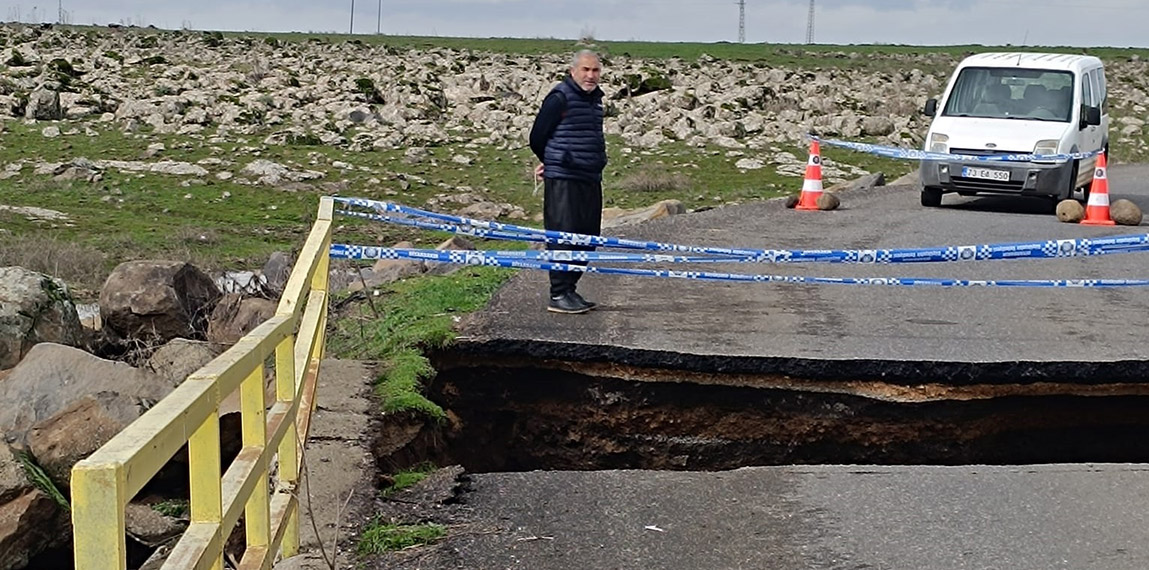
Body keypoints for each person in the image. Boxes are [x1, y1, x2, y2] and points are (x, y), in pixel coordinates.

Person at [529, 50, 607, 314]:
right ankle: (558, 293)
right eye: (585, 69)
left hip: (590, 177)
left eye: (595, 70)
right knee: (564, 236)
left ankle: (570, 289)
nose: (590, 75)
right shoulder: (559, 98)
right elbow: (537, 136)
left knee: (587, 237)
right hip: (564, 179)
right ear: (573, 71)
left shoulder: (595, 101)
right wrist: (553, 161)